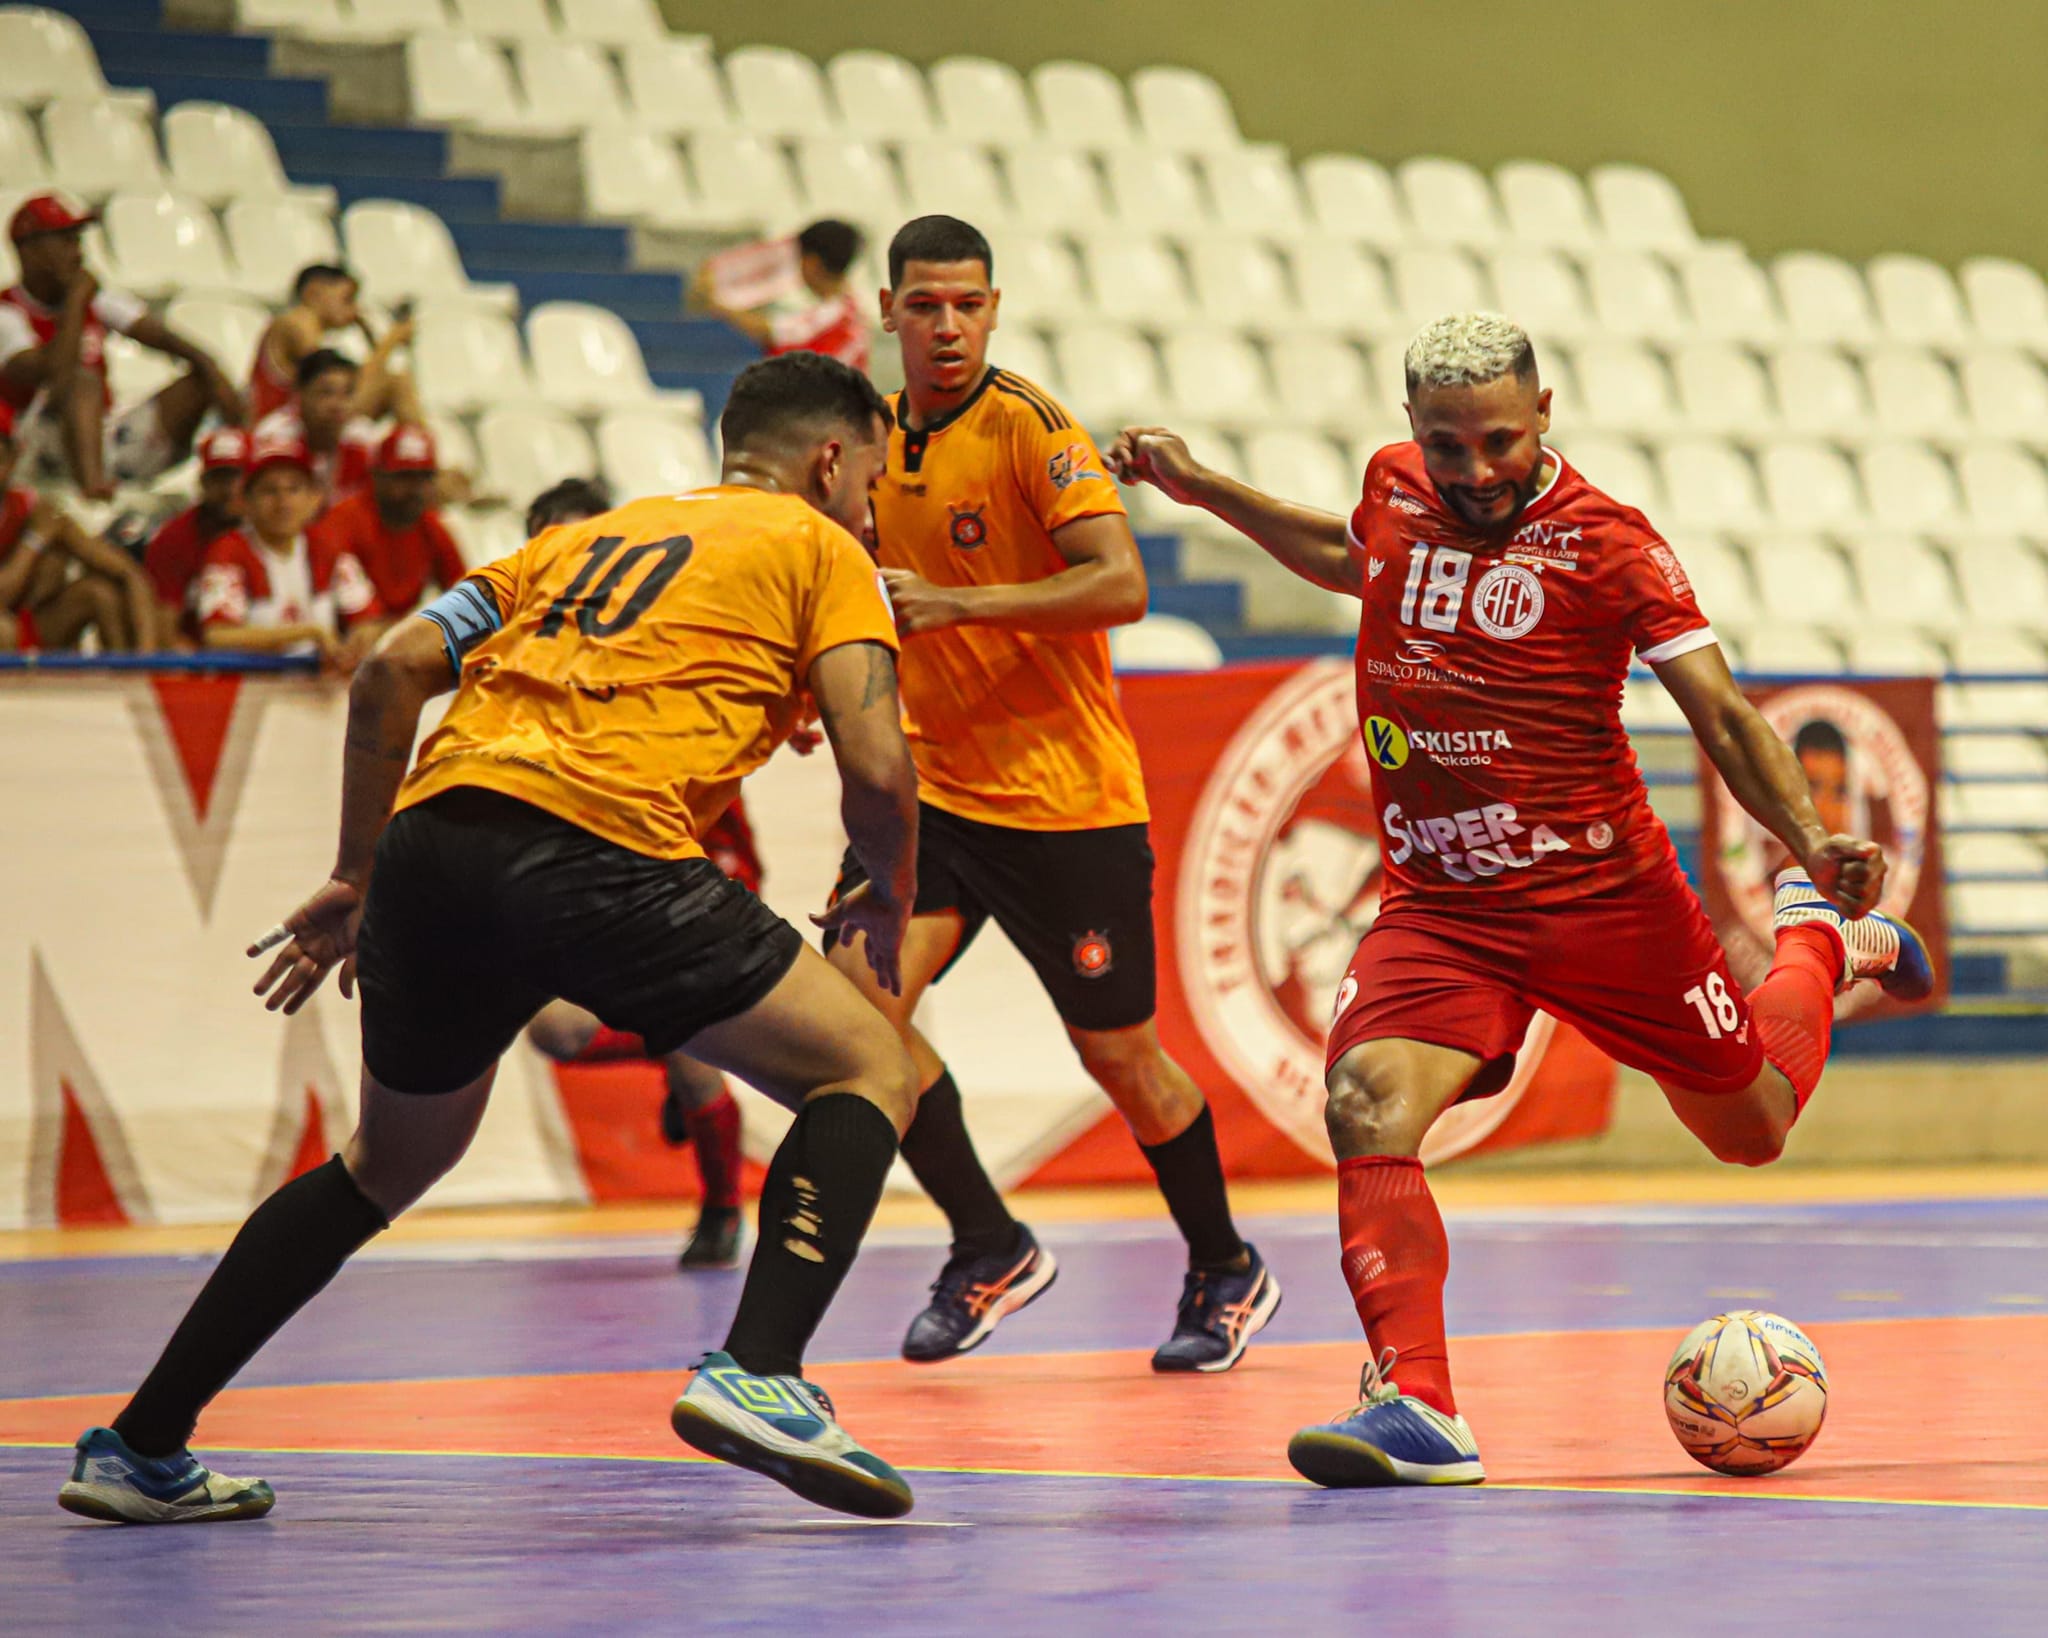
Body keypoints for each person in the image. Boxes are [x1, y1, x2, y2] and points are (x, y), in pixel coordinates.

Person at [59, 350, 927, 1525]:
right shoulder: (827, 550)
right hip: (602, 841)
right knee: (873, 1062)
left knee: (387, 1165)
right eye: (873, 474)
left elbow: (392, 669)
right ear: (832, 460)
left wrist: (357, 874)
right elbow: (878, 769)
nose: (873, 499)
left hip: (434, 843)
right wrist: (884, 890)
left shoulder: (580, 540)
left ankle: (139, 1444)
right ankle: (760, 1371)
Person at [1106, 310, 1935, 1489]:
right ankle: (1416, 1402)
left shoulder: (1611, 546)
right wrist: (1202, 491)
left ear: (1542, 416)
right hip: (1441, 906)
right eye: (1448, 445)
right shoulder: (1394, 488)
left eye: (1498, 441)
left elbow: (1723, 716)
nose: (1474, 470)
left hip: (1603, 899)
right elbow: (1354, 559)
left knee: (1748, 1129)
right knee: (1364, 1103)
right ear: (1411, 431)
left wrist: (1805, 835)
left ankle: (1818, 935)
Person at [832, 214, 1278, 1372]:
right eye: (922, 305)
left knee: (1118, 1055)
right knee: (851, 1011)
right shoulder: (865, 439)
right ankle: (987, 1243)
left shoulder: (1033, 429)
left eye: (966, 305)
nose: (944, 326)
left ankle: (1224, 1265)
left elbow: (1121, 584)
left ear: (994, 309)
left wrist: (958, 604)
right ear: (886, 311)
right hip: (933, 796)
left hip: (1062, 800)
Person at [515, 475, 753, 1272]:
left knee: (688, 1030)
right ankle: (683, 1050)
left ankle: (723, 1205)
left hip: (686, 860)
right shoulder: (517, 645)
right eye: (554, 544)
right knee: (557, 1028)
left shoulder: (666, 636)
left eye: (587, 543)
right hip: (586, 874)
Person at [0, 193, 242, 500]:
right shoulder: (7, 313)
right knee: (81, 379)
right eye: (63, 240)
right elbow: (55, 374)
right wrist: (75, 302)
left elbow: (163, 338)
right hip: (34, 445)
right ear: (28, 250)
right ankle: (94, 496)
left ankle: (240, 471)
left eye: (77, 240)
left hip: (99, 436)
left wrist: (210, 366)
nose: (77, 252)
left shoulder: (97, 299)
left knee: (200, 378)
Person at [197, 427, 377, 669]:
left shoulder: (328, 545)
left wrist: (358, 642)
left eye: (294, 489)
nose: (283, 503)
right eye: (269, 490)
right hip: (255, 690)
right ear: (246, 501)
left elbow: (367, 619)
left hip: (320, 689)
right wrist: (306, 633)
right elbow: (218, 636)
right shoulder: (230, 551)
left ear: (314, 498)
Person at [0, 400, 159, 653]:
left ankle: (127, 679)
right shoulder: (37, 524)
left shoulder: (31, 508)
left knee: (100, 594)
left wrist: (147, 656)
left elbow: (127, 573)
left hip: (27, 626)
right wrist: (34, 542)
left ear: (13, 456)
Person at [311, 425, 467, 670]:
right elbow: (360, 628)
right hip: (332, 653)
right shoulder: (342, 521)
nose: (415, 489)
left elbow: (467, 603)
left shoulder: (432, 526)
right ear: (376, 475)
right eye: (404, 477)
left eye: (424, 478)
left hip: (389, 649)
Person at [248, 263, 421, 428]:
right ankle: (422, 452)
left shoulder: (302, 325)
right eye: (348, 299)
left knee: (391, 381)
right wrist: (391, 340)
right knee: (396, 382)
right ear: (314, 293)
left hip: (294, 422)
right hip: (280, 428)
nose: (355, 311)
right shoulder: (298, 321)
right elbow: (331, 384)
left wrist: (374, 340)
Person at [691, 219, 870, 375]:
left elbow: (771, 332)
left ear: (811, 263)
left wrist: (717, 304)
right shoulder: (851, 312)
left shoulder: (834, 314)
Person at [143, 426, 249, 646]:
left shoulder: (272, 531)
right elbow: (165, 628)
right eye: (220, 479)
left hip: (267, 654)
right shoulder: (174, 538)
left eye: (238, 478)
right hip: (201, 660)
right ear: (203, 482)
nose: (230, 490)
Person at [254, 348, 378, 514]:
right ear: (299, 394)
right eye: (326, 393)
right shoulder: (274, 436)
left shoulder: (363, 436)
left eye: (347, 394)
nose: (337, 405)